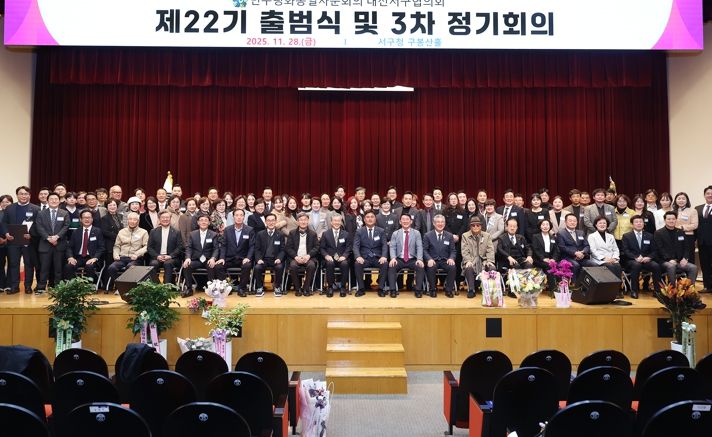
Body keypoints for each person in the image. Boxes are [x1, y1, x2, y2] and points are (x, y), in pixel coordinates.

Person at [2, 186, 40, 293]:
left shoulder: (36, 209)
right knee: (13, 264)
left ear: (30, 196)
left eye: (26, 194)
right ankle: (14, 287)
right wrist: (6, 233)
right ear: (17, 195)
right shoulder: (9, 208)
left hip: (29, 242)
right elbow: (4, 223)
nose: (23, 196)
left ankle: (28, 286)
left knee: (29, 264)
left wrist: (31, 234)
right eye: (21, 194)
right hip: (13, 241)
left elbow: (38, 225)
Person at [36, 192, 70, 292]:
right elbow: (39, 227)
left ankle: (58, 288)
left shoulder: (64, 213)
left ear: (59, 201)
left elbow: (66, 226)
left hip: (59, 244)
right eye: (51, 199)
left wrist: (57, 237)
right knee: (44, 268)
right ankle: (41, 287)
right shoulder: (41, 213)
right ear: (47, 201)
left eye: (56, 199)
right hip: (45, 245)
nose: (54, 201)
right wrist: (48, 238)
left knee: (58, 269)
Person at [621, 215, 661, 299]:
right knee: (636, 265)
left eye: (640, 222)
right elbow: (626, 251)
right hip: (632, 260)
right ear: (632, 224)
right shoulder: (626, 236)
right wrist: (635, 257)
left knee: (656, 266)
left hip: (646, 260)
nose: (639, 224)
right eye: (636, 222)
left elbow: (655, 251)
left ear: (643, 224)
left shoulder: (650, 236)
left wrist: (649, 257)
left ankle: (657, 291)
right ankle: (634, 291)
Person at [216, 209, 254, 297]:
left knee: (247, 265)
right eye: (237, 215)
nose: (239, 217)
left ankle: (242, 288)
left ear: (244, 217)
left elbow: (252, 246)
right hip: (230, 258)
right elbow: (224, 245)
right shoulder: (227, 230)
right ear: (233, 217)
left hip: (243, 258)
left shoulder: (249, 230)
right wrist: (222, 258)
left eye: (241, 215)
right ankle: (226, 288)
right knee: (218, 266)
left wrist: (248, 257)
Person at [106, 212, 149, 289]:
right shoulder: (122, 232)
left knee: (130, 267)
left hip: (136, 258)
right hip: (122, 257)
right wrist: (116, 255)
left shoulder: (143, 232)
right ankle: (120, 287)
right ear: (127, 220)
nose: (132, 221)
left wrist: (137, 254)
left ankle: (129, 288)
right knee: (111, 268)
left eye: (134, 219)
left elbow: (146, 246)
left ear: (138, 221)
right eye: (130, 219)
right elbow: (117, 246)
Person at [654, 211, 698, 285]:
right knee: (671, 266)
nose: (671, 221)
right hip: (664, 261)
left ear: (676, 220)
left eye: (673, 219)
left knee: (693, 267)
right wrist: (669, 259)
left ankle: (689, 289)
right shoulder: (658, 233)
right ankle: (672, 289)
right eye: (669, 219)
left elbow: (686, 247)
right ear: (665, 220)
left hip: (679, 261)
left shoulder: (680, 231)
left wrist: (685, 258)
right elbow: (660, 249)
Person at [181, 214, 220, 297]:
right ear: (198, 222)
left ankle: (212, 289)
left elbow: (216, 249)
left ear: (209, 223)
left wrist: (213, 258)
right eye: (201, 220)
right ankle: (189, 289)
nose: (203, 222)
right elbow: (189, 247)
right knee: (187, 266)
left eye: (206, 220)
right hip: (196, 259)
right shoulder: (192, 234)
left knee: (212, 266)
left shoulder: (213, 234)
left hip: (208, 259)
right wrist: (188, 258)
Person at [388, 214, 424, 298]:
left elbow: (419, 247)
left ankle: (418, 290)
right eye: (403, 219)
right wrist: (393, 258)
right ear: (400, 222)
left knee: (420, 266)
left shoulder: (416, 233)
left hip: (412, 259)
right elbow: (392, 247)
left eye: (407, 219)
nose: (405, 221)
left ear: (411, 221)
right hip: (399, 259)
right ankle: (393, 290)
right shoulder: (395, 233)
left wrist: (419, 259)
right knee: (392, 266)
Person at [353, 211, 388, 297]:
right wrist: (358, 256)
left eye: (372, 217)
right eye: (368, 217)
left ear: (375, 219)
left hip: (377, 258)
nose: (370, 219)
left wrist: (384, 256)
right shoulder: (359, 231)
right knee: (357, 264)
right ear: (364, 220)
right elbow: (356, 246)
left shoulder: (381, 231)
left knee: (385, 263)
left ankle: (381, 288)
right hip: (364, 258)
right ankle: (361, 289)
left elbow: (384, 245)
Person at [64, 209, 105, 283]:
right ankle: (73, 285)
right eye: (84, 218)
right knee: (68, 266)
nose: (87, 219)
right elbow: (69, 247)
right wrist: (70, 257)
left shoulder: (98, 231)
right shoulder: (76, 232)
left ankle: (89, 286)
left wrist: (95, 258)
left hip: (91, 257)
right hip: (78, 257)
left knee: (89, 266)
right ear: (81, 219)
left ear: (92, 219)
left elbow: (101, 248)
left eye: (89, 217)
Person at [285, 212, 319, 297]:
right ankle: (298, 288)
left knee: (311, 266)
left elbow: (316, 247)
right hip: (296, 257)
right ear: (297, 221)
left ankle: (306, 288)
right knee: (293, 266)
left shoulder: (313, 234)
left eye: (305, 220)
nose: (303, 222)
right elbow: (288, 248)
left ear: (308, 221)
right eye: (301, 220)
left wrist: (308, 256)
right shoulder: (292, 233)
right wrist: (295, 257)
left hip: (308, 257)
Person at [461, 216, 496, 298]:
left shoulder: (487, 236)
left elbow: (490, 249)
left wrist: (490, 260)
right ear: (470, 226)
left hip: (484, 261)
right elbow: (464, 250)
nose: (475, 227)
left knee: (492, 268)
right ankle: (471, 290)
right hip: (471, 260)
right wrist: (468, 261)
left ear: (481, 226)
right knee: (468, 268)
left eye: (478, 225)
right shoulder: (465, 236)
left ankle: (490, 291)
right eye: (473, 225)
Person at [423, 214, 456, 298]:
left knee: (452, 267)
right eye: (438, 222)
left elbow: (453, 250)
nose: (440, 224)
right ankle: (432, 289)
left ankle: (448, 290)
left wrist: (451, 258)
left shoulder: (449, 236)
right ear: (434, 223)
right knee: (431, 267)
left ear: (444, 224)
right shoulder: (427, 235)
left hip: (445, 260)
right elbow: (424, 250)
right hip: (433, 260)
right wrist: (429, 259)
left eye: (442, 222)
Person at [253, 213, 286, 297]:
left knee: (279, 267)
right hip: (263, 259)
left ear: (276, 221)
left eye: (273, 220)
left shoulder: (280, 234)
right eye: (268, 220)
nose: (271, 222)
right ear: (266, 222)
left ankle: (277, 287)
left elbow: (282, 250)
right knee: (257, 267)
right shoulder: (260, 234)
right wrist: (258, 259)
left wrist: (279, 259)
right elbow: (257, 249)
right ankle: (260, 287)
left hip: (275, 259)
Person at [147, 210, 184, 285]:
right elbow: (149, 247)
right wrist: (157, 256)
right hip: (158, 257)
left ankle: (167, 286)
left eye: (167, 217)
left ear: (170, 219)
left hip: (172, 258)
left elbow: (180, 247)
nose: (165, 219)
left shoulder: (177, 232)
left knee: (168, 263)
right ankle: (155, 286)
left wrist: (170, 256)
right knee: (153, 264)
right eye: (163, 217)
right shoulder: (153, 231)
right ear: (159, 219)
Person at [556, 214, 596, 281]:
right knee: (575, 265)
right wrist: (575, 253)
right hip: (568, 257)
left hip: (581, 257)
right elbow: (562, 247)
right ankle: (574, 284)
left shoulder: (581, 232)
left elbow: (587, 246)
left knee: (593, 264)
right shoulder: (561, 233)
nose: (572, 222)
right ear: (565, 222)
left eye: (574, 221)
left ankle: (589, 284)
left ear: (577, 222)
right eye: (570, 221)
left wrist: (583, 252)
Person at [320, 214, 351, 297]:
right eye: (335, 220)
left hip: (342, 257)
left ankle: (343, 287)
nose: (337, 222)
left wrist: (344, 256)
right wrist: (326, 256)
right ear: (331, 222)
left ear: (341, 222)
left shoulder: (346, 234)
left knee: (345, 264)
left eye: (338, 221)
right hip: (330, 257)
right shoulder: (325, 234)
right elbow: (322, 248)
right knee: (330, 264)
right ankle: (330, 287)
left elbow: (348, 247)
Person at [531, 219, 560, 292]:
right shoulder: (535, 236)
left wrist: (553, 259)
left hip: (550, 259)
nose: (545, 226)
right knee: (549, 266)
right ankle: (553, 289)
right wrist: (543, 258)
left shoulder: (553, 237)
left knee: (558, 265)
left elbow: (556, 250)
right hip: (539, 259)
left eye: (547, 224)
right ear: (540, 226)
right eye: (543, 225)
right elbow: (535, 250)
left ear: (550, 226)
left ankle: (560, 287)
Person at [673, 192, 698, 263]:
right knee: (677, 256)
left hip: (688, 236)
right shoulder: (673, 211)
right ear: (675, 200)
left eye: (683, 199)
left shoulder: (692, 211)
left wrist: (681, 227)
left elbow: (694, 225)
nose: (681, 200)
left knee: (689, 257)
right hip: (676, 236)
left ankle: (691, 270)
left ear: (687, 200)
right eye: (679, 198)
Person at [696, 185, 712, 292]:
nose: (710, 195)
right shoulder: (698, 208)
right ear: (704, 195)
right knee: (704, 265)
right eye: (708, 193)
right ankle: (707, 286)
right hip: (702, 242)